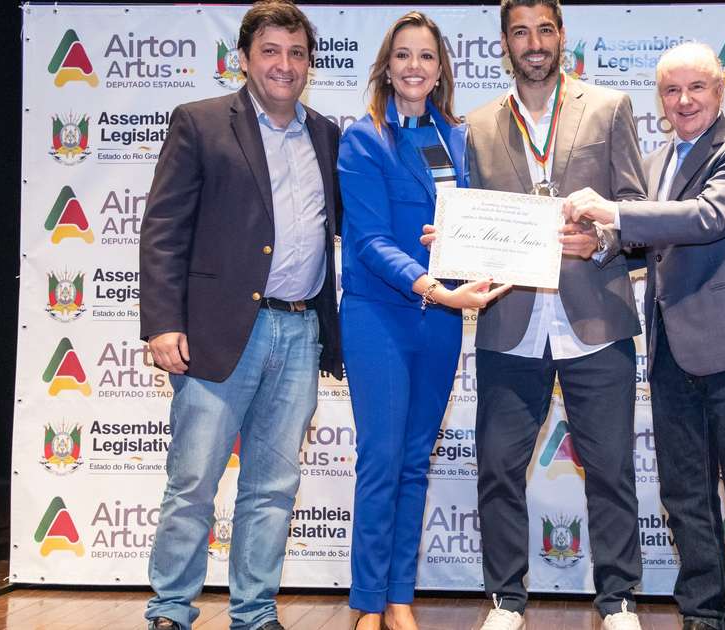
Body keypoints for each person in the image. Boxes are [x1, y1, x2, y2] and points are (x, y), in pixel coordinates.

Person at [425, 1, 647, 628]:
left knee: (610, 468)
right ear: (504, 42)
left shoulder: (608, 107)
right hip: (510, 323)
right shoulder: (476, 125)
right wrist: (450, 241)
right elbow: (467, 213)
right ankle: (505, 600)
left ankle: (619, 600)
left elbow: (635, 210)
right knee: (498, 467)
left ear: (562, 35)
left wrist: (600, 240)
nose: (534, 43)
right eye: (521, 32)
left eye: (545, 30)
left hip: (594, 321)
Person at [565, 42, 725, 630]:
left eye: (696, 88)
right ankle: (700, 612)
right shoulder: (656, 160)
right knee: (685, 494)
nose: (684, 100)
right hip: (671, 351)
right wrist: (600, 243)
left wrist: (614, 214)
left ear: (720, 91)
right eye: (671, 90)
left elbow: (708, 217)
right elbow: (645, 241)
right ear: (660, 100)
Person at [138, 2, 342, 629]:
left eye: (297, 53)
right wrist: (162, 322)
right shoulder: (200, 123)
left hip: (301, 329)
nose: (285, 65)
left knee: (273, 488)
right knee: (193, 482)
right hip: (218, 332)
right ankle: (170, 609)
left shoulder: (327, 135)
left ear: (310, 63)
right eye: (271, 51)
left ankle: (254, 613)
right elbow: (164, 229)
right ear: (244, 59)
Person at [336, 11, 509, 630]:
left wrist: (473, 251)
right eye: (403, 55)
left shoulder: (457, 139)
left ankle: (399, 598)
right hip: (379, 316)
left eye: (427, 56)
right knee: (382, 460)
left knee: (414, 461)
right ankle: (366, 604)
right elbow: (369, 241)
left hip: (439, 320)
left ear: (441, 70)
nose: (415, 66)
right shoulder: (362, 138)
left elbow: (477, 222)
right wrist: (437, 286)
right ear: (387, 66)